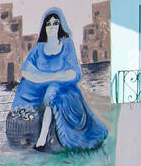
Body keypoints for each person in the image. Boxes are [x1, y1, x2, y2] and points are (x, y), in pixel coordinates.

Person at [11, 8, 108, 151]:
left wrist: (50, 78)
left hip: (64, 88)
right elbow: (27, 70)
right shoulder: (39, 48)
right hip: (40, 87)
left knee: (53, 91)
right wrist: (52, 76)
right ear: (44, 27)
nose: (52, 27)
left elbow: (74, 73)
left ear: (59, 25)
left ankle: (43, 137)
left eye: (55, 23)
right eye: (48, 24)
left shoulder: (67, 44)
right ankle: (26, 129)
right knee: (25, 87)